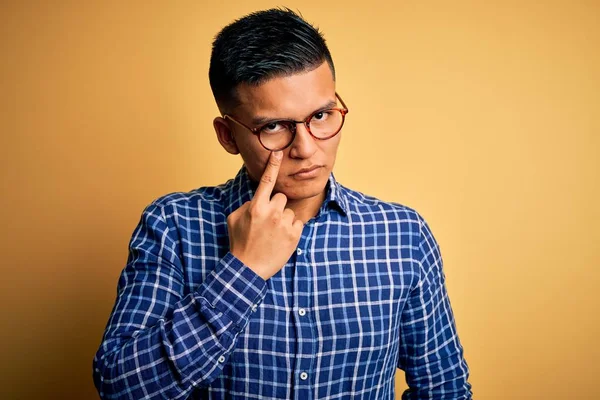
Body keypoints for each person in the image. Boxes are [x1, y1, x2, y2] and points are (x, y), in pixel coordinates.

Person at [93, 8, 472, 400]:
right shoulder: (173, 226)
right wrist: (244, 270)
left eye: (322, 115)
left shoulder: (403, 237)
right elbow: (120, 387)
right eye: (274, 126)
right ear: (228, 136)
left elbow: (444, 389)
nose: (307, 149)